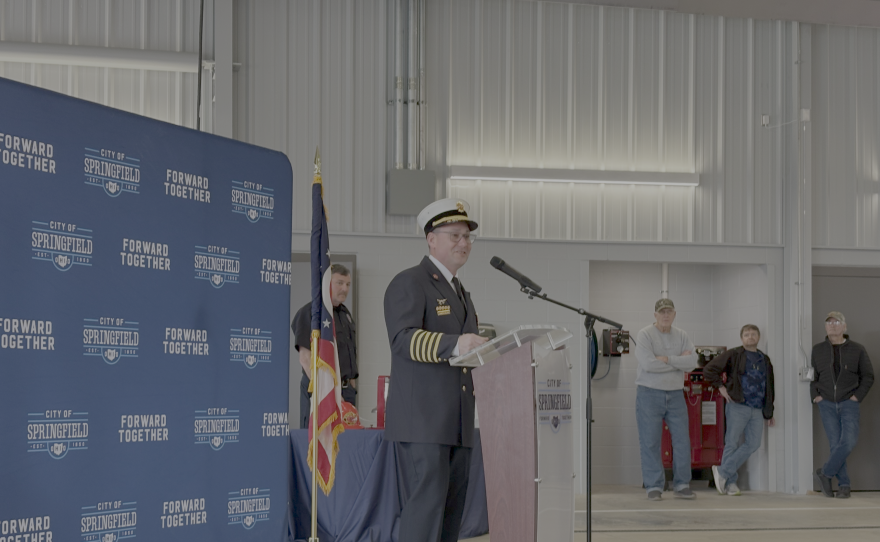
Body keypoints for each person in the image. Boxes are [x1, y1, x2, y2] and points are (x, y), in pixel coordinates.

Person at [383, 198, 488, 542]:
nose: (464, 243)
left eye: (468, 237)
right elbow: (403, 339)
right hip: (423, 422)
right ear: (431, 239)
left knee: (450, 516)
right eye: (455, 235)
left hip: (457, 423)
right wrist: (455, 345)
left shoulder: (462, 293)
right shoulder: (410, 282)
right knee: (425, 513)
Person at [634, 298, 699, 500]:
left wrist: (667, 359)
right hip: (649, 393)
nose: (665, 315)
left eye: (669, 311)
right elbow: (648, 365)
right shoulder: (645, 334)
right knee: (650, 441)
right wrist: (679, 361)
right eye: (661, 312)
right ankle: (654, 486)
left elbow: (692, 363)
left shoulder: (682, 335)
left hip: (676, 394)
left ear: (674, 314)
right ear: (655, 315)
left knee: (682, 441)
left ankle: (682, 484)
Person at [704, 324, 775, 496]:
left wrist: (769, 411)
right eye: (746, 334)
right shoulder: (734, 354)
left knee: (753, 444)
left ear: (758, 337)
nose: (750, 337)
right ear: (742, 338)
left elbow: (770, 386)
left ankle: (723, 471)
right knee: (732, 443)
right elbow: (709, 370)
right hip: (738, 406)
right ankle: (731, 484)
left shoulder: (764, 359)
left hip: (757, 409)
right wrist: (720, 387)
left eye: (753, 334)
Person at [811, 311, 874, 499]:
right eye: (829, 322)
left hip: (849, 402)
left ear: (844, 327)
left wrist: (856, 397)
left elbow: (868, 376)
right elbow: (813, 377)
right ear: (825, 327)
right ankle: (844, 485)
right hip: (826, 402)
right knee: (835, 444)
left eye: (837, 322)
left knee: (848, 441)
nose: (833, 325)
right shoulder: (818, 349)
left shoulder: (858, 349)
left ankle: (825, 473)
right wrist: (816, 396)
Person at [291, 263, 358, 429]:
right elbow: (305, 358)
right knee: (319, 441)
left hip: (345, 391)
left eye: (348, 284)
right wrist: (327, 391)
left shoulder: (345, 314)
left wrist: (351, 384)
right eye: (339, 283)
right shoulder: (310, 313)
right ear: (327, 282)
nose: (345, 288)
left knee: (345, 442)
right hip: (322, 390)